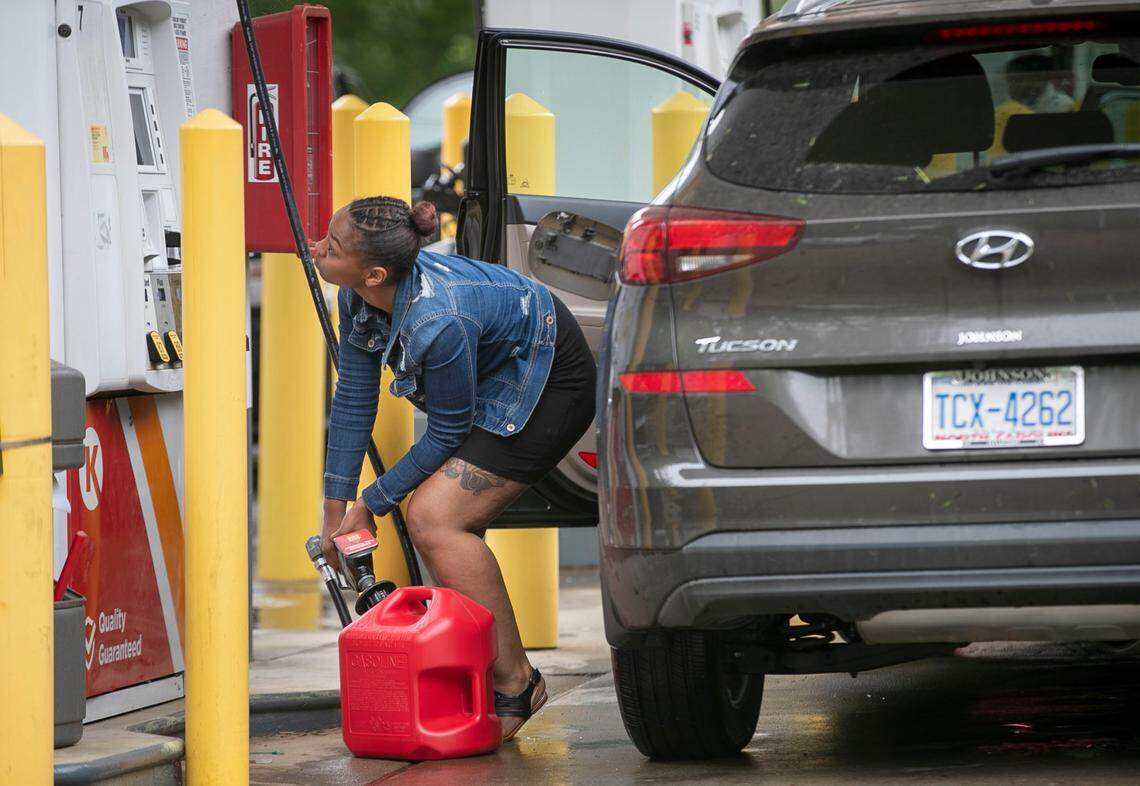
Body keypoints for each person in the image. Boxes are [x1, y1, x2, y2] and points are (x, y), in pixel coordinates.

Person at [312, 195, 596, 741]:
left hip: (548, 378)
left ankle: (516, 682)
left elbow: (447, 429)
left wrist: (371, 504)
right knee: (440, 520)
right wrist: (334, 510)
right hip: (490, 367)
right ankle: (475, 670)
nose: (320, 247)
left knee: (435, 519)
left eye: (335, 244)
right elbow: (353, 395)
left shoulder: (438, 319)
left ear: (373, 272)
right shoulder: (358, 293)